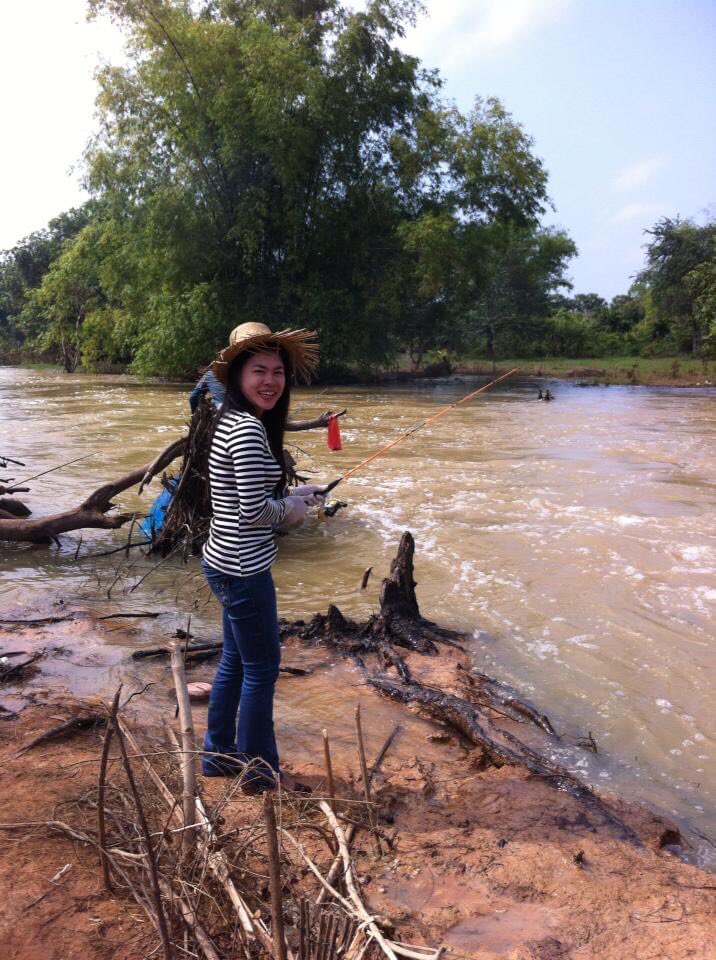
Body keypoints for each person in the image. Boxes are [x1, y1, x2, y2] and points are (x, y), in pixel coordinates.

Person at [200, 322, 325, 790]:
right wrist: (290, 511)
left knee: (235, 662)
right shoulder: (249, 428)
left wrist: (296, 493)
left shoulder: (229, 420)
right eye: (259, 371)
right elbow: (255, 511)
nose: (271, 381)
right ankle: (258, 771)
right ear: (236, 376)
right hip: (243, 569)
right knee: (261, 668)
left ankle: (217, 757)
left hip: (222, 561)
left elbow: (239, 498)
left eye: (278, 371)